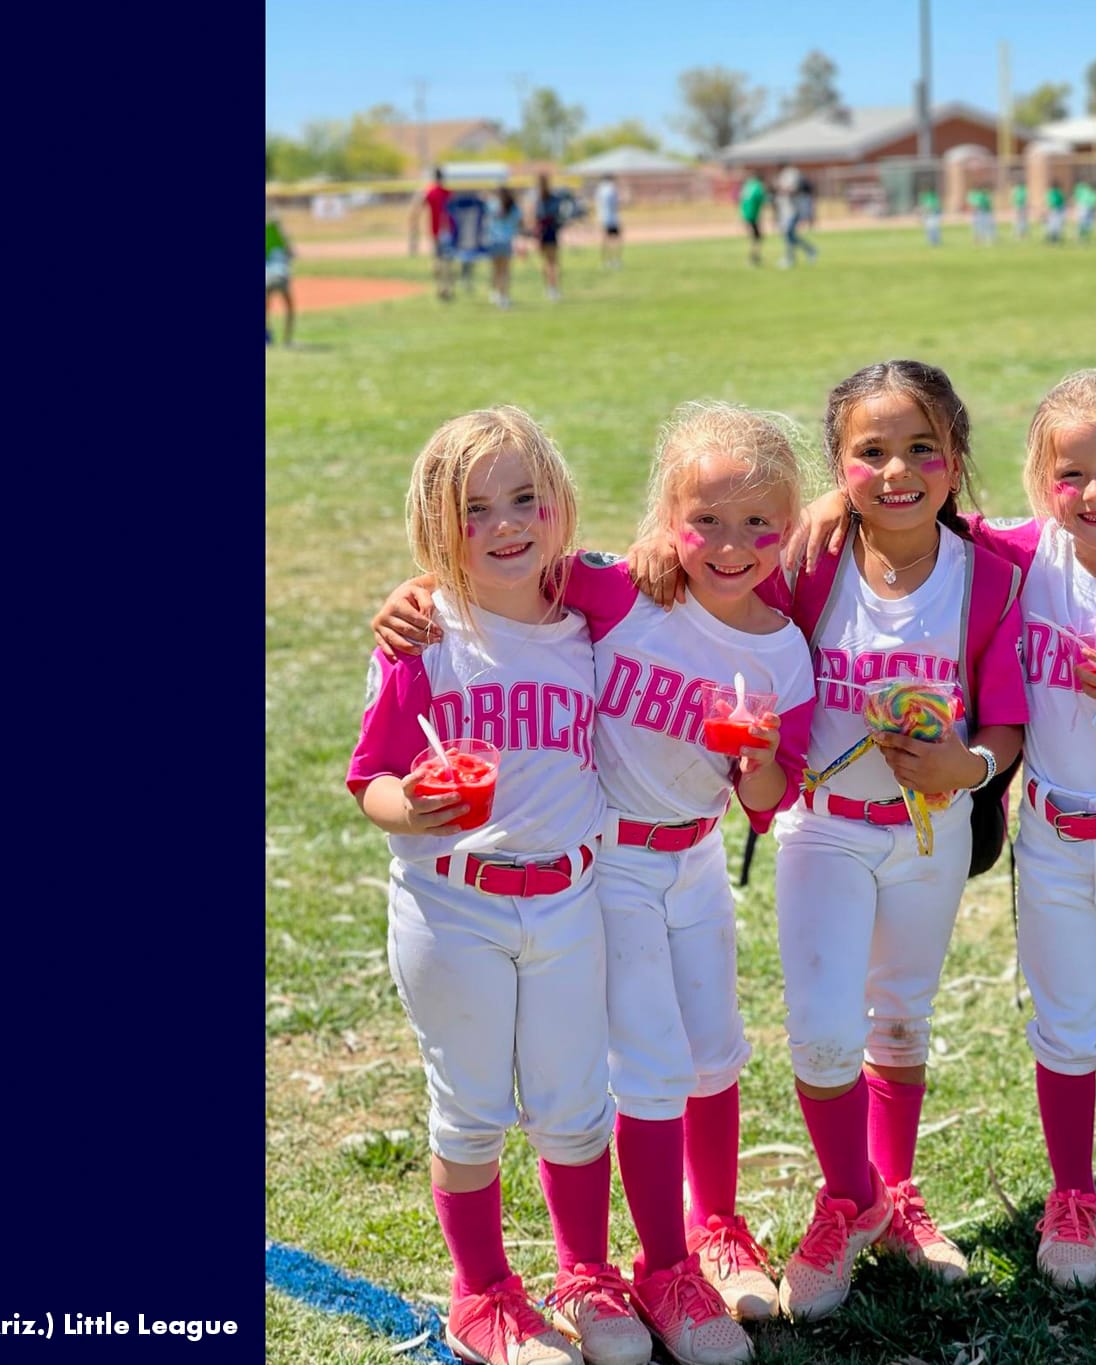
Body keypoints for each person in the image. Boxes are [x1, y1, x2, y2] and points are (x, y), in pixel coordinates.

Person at [789, 369, 1096, 1297]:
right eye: (1069, 474)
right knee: (1067, 1022)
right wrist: (828, 499)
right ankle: (1072, 1196)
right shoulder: (1022, 557)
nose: (1095, 495)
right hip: (1050, 837)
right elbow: (912, 508)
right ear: (1040, 481)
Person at [370, 404, 823, 1359]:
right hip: (562, 868)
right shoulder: (607, 598)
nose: (730, 546)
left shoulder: (754, 641)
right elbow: (471, 598)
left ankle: (674, 1245)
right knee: (580, 1077)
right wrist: (410, 603)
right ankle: (534, 1283)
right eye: (704, 521)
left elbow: (772, 790)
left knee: (679, 1060)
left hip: (657, 864)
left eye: (525, 500)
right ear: (665, 520)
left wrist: (757, 769)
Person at [630, 361, 1029, 1321]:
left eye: (922, 449)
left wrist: (966, 769)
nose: (898, 471)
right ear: (838, 465)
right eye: (870, 453)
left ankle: (889, 1199)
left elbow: (1006, 723)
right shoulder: (806, 555)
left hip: (928, 834)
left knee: (901, 1020)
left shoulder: (995, 571)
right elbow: (704, 549)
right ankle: (852, 1195)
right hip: (822, 827)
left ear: (957, 456)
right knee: (820, 1030)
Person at [347, 407, 654, 1365]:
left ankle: (585, 1273)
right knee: (471, 1103)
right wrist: (413, 807)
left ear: (559, 504)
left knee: (574, 1101)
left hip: (567, 897)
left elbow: (671, 559)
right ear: (438, 527)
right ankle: (480, 1289)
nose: (507, 523)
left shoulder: (589, 614)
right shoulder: (422, 637)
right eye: (474, 509)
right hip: (453, 900)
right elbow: (371, 778)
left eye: (527, 498)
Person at [408, 167, 456, 301]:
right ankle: (447, 287)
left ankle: (441, 287)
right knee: (447, 260)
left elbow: (417, 208)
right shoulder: (448, 192)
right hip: (448, 230)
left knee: (437, 259)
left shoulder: (431, 192)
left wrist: (414, 225)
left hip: (436, 230)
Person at [265, 211, 295, 347]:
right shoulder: (280, 241)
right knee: (289, 307)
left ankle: (267, 337)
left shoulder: (268, 239)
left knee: (266, 306)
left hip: (267, 277)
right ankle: (287, 339)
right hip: (281, 276)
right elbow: (292, 254)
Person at [488, 187, 522, 310]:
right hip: (506, 242)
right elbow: (518, 223)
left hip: (493, 242)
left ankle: (497, 293)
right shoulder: (513, 207)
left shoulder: (492, 205)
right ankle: (504, 296)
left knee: (496, 270)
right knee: (505, 271)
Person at [779, 166, 816, 268]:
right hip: (787, 212)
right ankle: (809, 250)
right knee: (789, 236)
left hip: (794, 212)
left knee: (788, 234)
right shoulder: (787, 182)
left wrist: (785, 190)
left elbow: (793, 192)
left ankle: (791, 258)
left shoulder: (796, 186)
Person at [536, 174, 566, 301]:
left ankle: (549, 288)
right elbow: (558, 216)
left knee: (547, 263)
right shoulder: (554, 199)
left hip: (543, 233)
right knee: (553, 263)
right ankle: (553, 289)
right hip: (551, 233)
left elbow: (537, 217)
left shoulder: (539, 199)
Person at [738, 172, 766, 267]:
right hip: (753, 215)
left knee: (753, 237)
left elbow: (741, 199)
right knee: (756, 238)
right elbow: (762, 200)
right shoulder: (758, 187)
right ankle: (754, 258)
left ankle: (753, 257)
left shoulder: (747, 186)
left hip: (745, 215)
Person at [596, 175, 623, 271]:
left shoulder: (600, 189)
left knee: (605, 241)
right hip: (612, 218)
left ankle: (605, 261)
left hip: (603, 218)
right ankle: (615, 261)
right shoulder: (611, 188)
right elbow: (616, 203)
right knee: (615, 240)